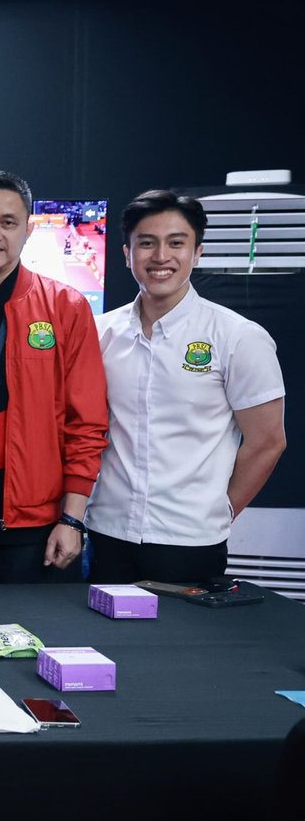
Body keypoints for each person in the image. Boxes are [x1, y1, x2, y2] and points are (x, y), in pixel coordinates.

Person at [87, 190, 286, 583]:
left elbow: (268, 441)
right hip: (107, 532)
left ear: (197, 253)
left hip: (190, 541)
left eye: (176, 243)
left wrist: (219, 511)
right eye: (147, 243)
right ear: (127, 254)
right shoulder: (99, 333)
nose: (161, 256)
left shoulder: (238, 336)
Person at [0, 170, 108, 583]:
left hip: (32, 528)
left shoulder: (66, 307)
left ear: (28, 229)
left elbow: (87, 423)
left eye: (8, 222)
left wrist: (72, 519)